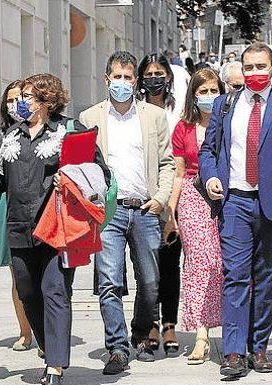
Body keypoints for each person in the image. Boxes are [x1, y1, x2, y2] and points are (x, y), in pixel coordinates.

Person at [0, 73, 110, 385]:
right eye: (21, 98)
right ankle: (49, 346)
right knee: (28, 292)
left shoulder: (70, 131)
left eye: (29, 98)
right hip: (19, 226)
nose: (21, 103)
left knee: (55, 291)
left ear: (46, 101)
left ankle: (55, 368)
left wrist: (71, 179)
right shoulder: (11, 136)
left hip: (56, 227)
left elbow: (100, 173)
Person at [199, 43, 272, 379]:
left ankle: (259, 347)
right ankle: (234, 352)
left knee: (265, 279)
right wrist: (210, 178)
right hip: (235, 201)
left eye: (260, 67)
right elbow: (208, 151)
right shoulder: (225, 105)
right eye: (248, 67)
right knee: (235, 276)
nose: (254, 74)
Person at [79, 51, 175, 374]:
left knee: (150, 281)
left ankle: (139, 330)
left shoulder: (153, 117)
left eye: (128, 77)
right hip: (109, 212)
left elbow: (167, 163)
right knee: (109, 281)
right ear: (107, 79)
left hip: (145, 209)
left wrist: (161, 198)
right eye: (116, 77)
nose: (122, 83)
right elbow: (82, 167)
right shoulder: (89, 118)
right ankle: (117, 348)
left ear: (136, 81)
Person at [170, 68, 225, 365]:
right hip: (192, 196)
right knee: (198, 263)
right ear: (193, 95)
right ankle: (201, 336)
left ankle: (232, 326)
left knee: (226, 261)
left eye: (213, 90)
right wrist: (172, 211)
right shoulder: (183, 127)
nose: (208, 97)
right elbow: (179, 172)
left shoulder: (230, 122)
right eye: (202, 91)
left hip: (226, 196)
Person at [136, 53, 184, 354]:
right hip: (142, 196)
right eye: (149, 73)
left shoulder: (178, 110)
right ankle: (148, 321)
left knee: (169, 264)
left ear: (168, 76)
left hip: (173, 195)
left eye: (159, 73)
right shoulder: (134, 110)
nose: (154, 78)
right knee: (146, 266)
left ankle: (168, 324)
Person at [0, 80, 34, 352]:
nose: (16, 105)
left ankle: (42, 328)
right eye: (11, 100)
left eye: (22, 99)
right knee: (18, 274)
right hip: (8, 205)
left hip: (38, 207)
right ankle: (25, 331)